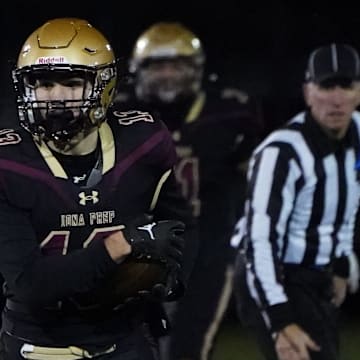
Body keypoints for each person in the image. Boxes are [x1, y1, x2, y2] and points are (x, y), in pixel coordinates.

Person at [0, 17, 196, 360]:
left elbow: (182, 228)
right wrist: (122, 245)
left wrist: (170, 278)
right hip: (43, 345)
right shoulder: (9, 163)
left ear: (103, 86)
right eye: (44, 85)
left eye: (72, 83)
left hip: (126, 336)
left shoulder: (143, 143)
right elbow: (30, 283)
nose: (55, 99)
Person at [114, 21, 264, 360]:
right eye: (158, 65)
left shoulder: (228, 111)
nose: (167, 74)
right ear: (139, 70)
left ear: (195, 69)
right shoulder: (119, 113)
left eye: (176, 64)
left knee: (188, 347)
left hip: (207, 246)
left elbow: (256, 180)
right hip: (137, 247)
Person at [231, 42, 360, 360]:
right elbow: (260, 240)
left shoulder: (357, 132)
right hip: (272, 275)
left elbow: (347, 207)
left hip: (319, 277)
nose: (337, 97)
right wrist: (280, 319)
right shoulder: (282, 153)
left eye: (346, 85)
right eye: (326, 85)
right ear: (307, 92)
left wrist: (343, 261)